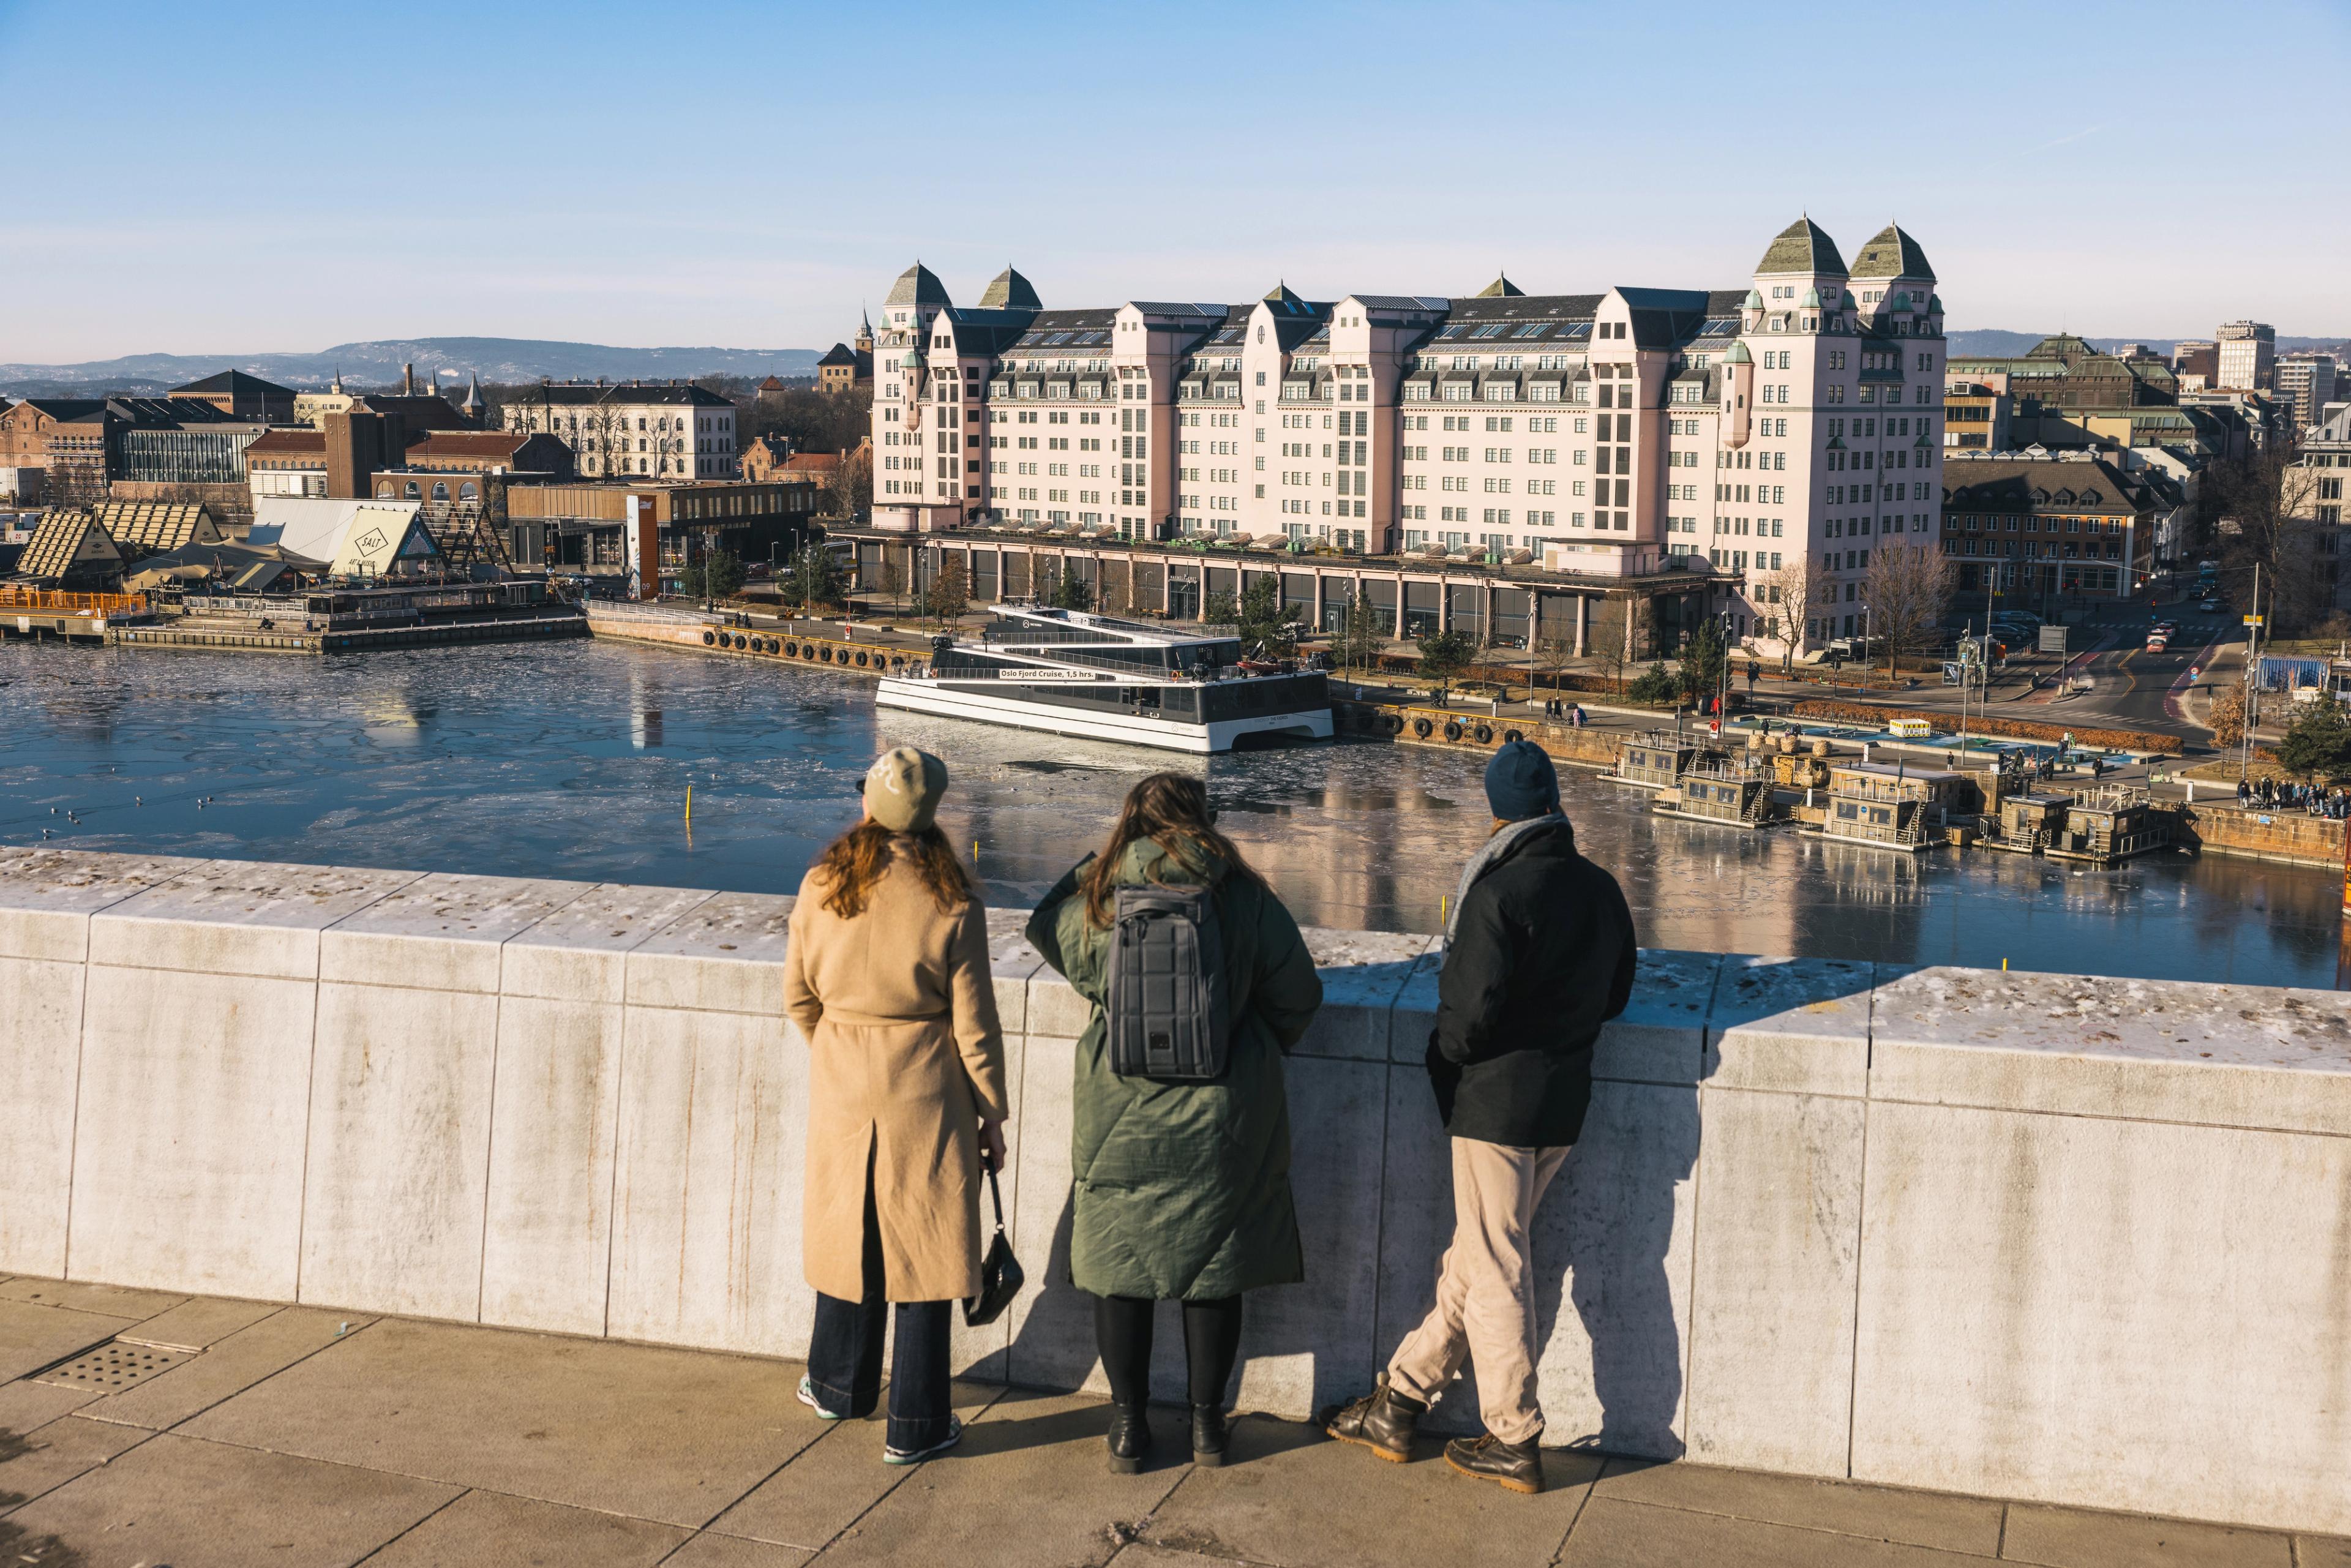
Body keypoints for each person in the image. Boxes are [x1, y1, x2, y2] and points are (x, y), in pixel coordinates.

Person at [1325, 741, 1636, 1496]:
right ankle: (1399, 1400)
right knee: (1478, 1253)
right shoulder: (1601, 888)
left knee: (1494, 1263)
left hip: (1496, 1103)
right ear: (1554, 802)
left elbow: (1464, 1021)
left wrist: (1453, 1057)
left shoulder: (1497, 891)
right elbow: (1618, 993)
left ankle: (1514, 1434)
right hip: (1563, 1100)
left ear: (1498, 810)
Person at [1027, 773, 1324, 1474]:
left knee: (1120, 1267)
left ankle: (1129, 1427)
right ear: (1205, 821)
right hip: (1223, 1115)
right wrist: (1247, 1037)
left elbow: (1044, 926)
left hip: (1119, 1112)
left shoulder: (1103, 899)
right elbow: (1300, 995)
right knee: (1214, 1268)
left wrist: (1100, 861)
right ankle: (1208, 1426)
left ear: (1130, 821)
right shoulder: (1243, 895)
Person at [784, 746, 1008, 1466]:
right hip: (925, 1086)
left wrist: (841, 1048)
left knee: (849, 1227)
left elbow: (799, 998)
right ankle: (915, 1422)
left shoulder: (823, 883)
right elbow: (975, 1026)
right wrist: (991, 1112)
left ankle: (837, 1386)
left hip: (844, 1079)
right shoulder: (953, 899)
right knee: (925, 1245)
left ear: (868, 805)